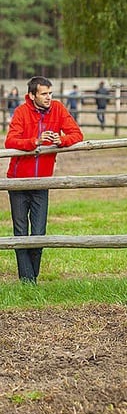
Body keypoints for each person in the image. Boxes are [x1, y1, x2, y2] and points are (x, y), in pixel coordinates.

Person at [5, 76, 83, 283]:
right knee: (20, 232)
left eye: (50, 93)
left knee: (39, 232)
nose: (49, 97)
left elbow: (77, 134)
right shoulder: (21, 111)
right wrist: (35, 141)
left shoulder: (57, 109)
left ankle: (32, 276)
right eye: (44, 94)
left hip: (43, 181)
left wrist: (62, 140)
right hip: (18, 181)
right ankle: (27, 280)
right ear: (32, 96)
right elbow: (10, 140)